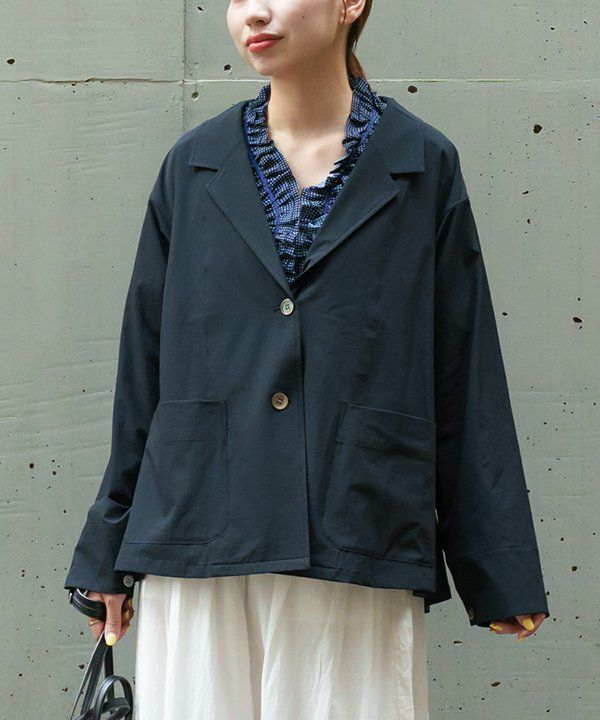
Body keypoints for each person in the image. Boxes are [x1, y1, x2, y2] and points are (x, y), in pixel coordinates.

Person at [65, 2, 550, 718]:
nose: (253, 12)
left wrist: (497, 565)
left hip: (354, 527)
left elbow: (462, 366)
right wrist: (107, 544)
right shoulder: (193, 166)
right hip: (199, 532)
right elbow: (145, 364)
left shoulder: (422, 165)